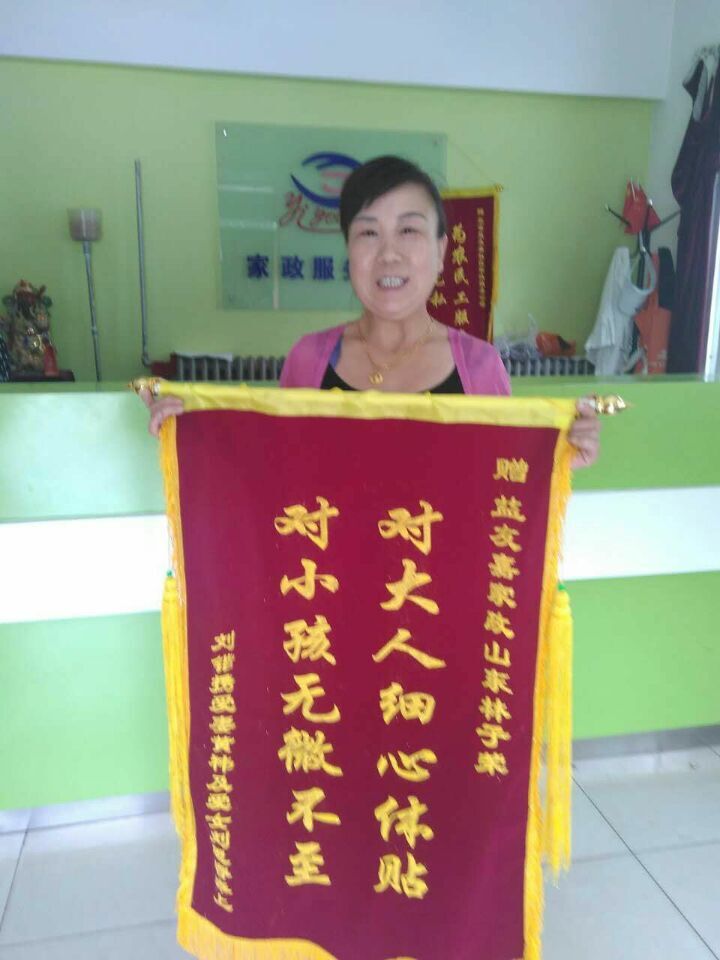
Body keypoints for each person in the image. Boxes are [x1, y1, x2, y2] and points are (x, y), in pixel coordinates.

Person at [143, 155, 600, 467]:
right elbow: (276, 470)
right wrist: (193, 431)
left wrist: (559, 454)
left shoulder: (480, 367)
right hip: (329, 577)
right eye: (368, 233)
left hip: (434, 578)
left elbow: (500, 478)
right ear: (348, 250)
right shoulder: (309, 360)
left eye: (408, 231)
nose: (388, 254)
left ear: (442, 251)